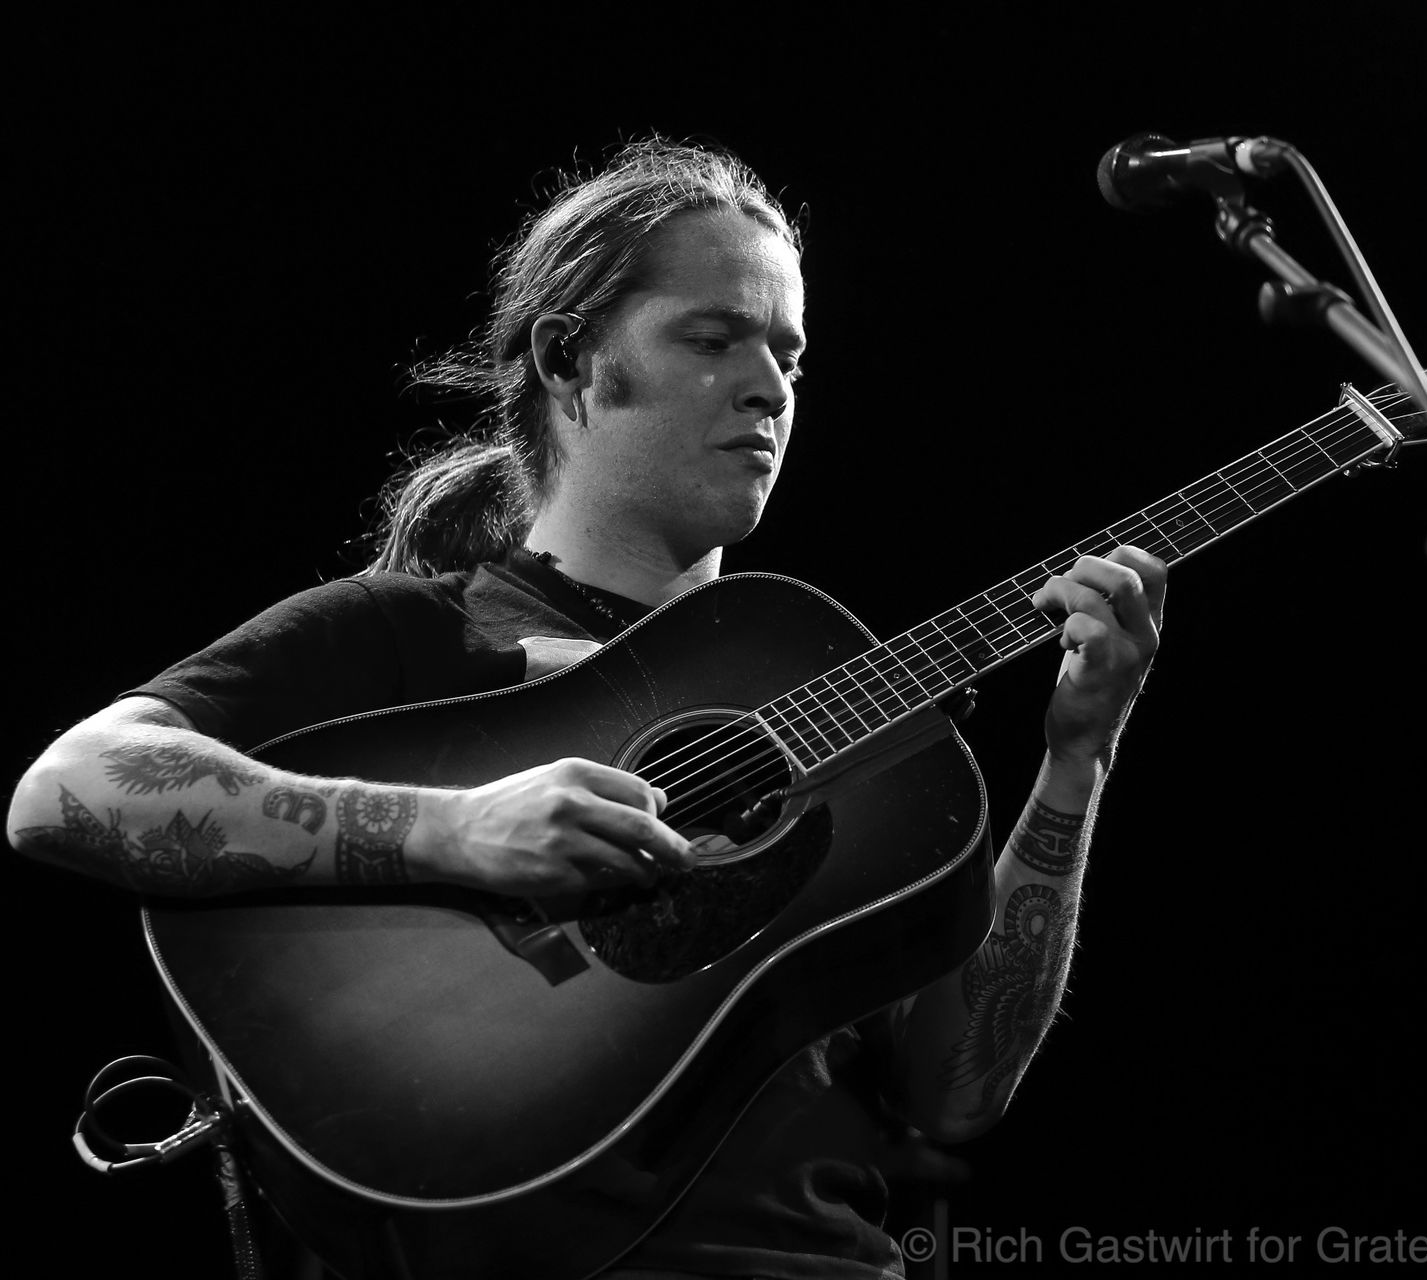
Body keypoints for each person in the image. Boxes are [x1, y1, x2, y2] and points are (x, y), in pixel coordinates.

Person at [8, 139, 1165, 1278]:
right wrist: (450, 829)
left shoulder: (834, 706)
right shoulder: (405, 630)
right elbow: (65, 791)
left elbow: (956, 1089)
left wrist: (1078, 758)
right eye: (712, 338)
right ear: (568, 359)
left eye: (790, 355)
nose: (769, 388)